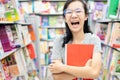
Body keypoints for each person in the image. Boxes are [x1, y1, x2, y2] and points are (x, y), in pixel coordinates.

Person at [49, 0, 102, 80]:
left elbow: (94, 73)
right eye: (69, 12)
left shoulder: (93, 40)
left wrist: (62, 67)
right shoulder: (59, 41)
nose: (74, 15)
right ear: (65, 18)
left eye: (78, 11)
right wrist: (85, 70)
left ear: (86, 16)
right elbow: (56, 76)